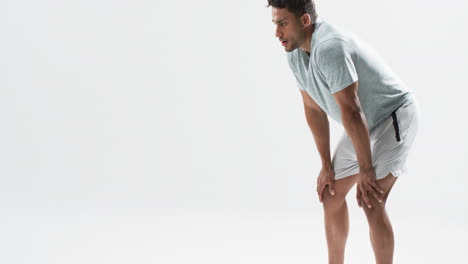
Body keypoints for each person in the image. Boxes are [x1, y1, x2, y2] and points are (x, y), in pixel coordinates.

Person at [267, 1, 420, 263]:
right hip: (363, 123)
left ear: (305, 21)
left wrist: (366, 170)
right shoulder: (294, 54)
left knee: (371, 200)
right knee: (331, 193)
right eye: (275, 24)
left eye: (283, 24)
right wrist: (326, 164)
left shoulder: (330, 47)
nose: (277, 33)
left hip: (394, 115)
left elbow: (351, 110)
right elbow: (313, 109)